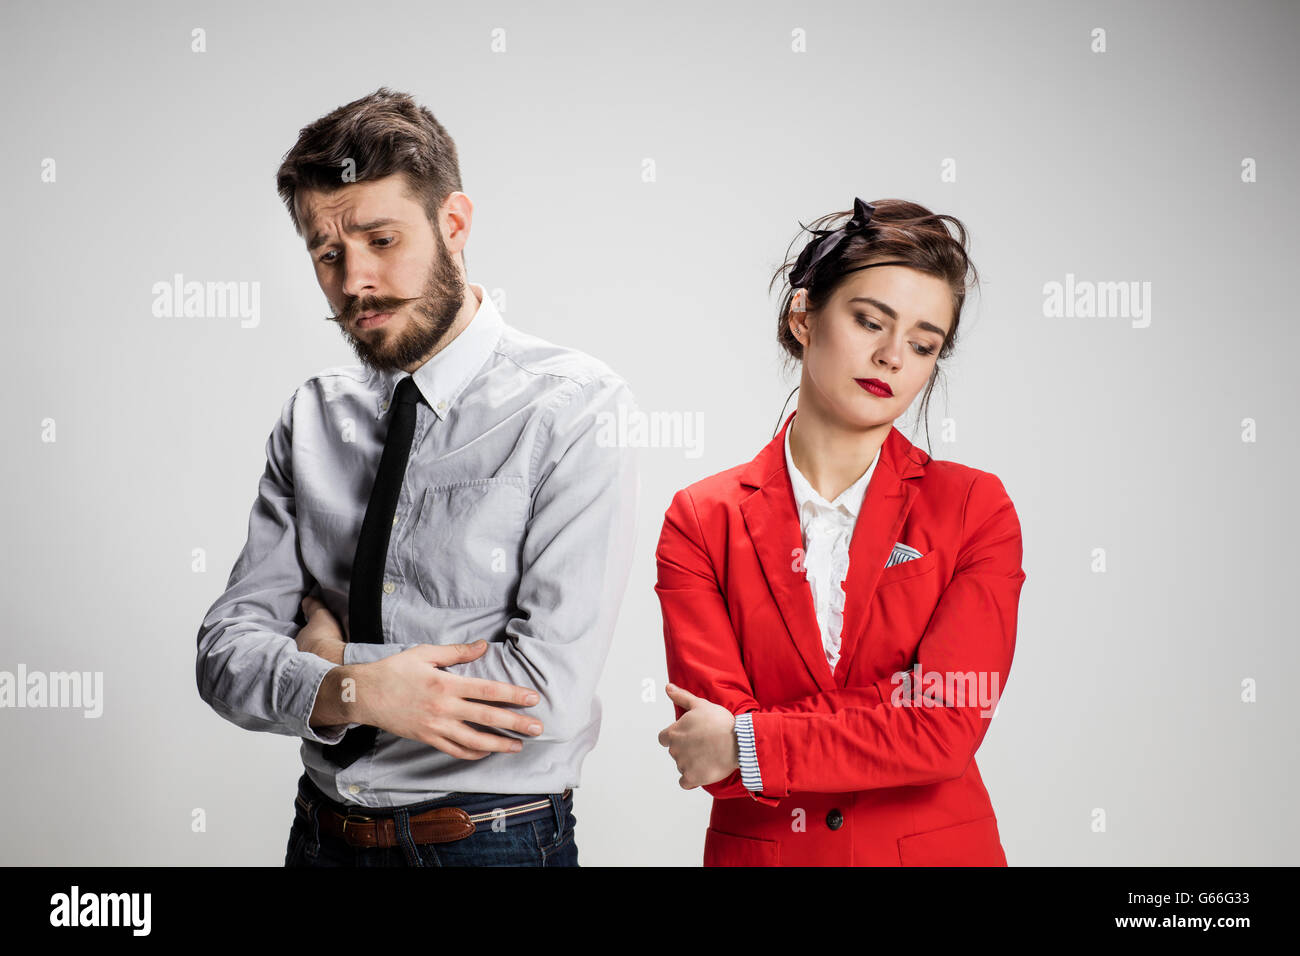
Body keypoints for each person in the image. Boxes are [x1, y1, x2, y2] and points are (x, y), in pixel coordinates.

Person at [195, 88, 639, 867]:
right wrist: (364, 690)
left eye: (381, 238)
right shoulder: (313, 417)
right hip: (321, 837)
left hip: (493, 844)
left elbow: (547, 691)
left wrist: (332, 663)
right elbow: (226, 654)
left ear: (454, 224)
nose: (355, 281)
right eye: (327, 253)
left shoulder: (575, 407)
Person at [655, 198, 1026, 866]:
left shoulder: (975, 508)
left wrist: (748, 744)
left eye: (922, 344)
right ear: (804, 318)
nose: (891, 357)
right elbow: (706, 742)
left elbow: (943, 726)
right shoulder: (701, 519)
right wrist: (888, 715)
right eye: (868, 321)